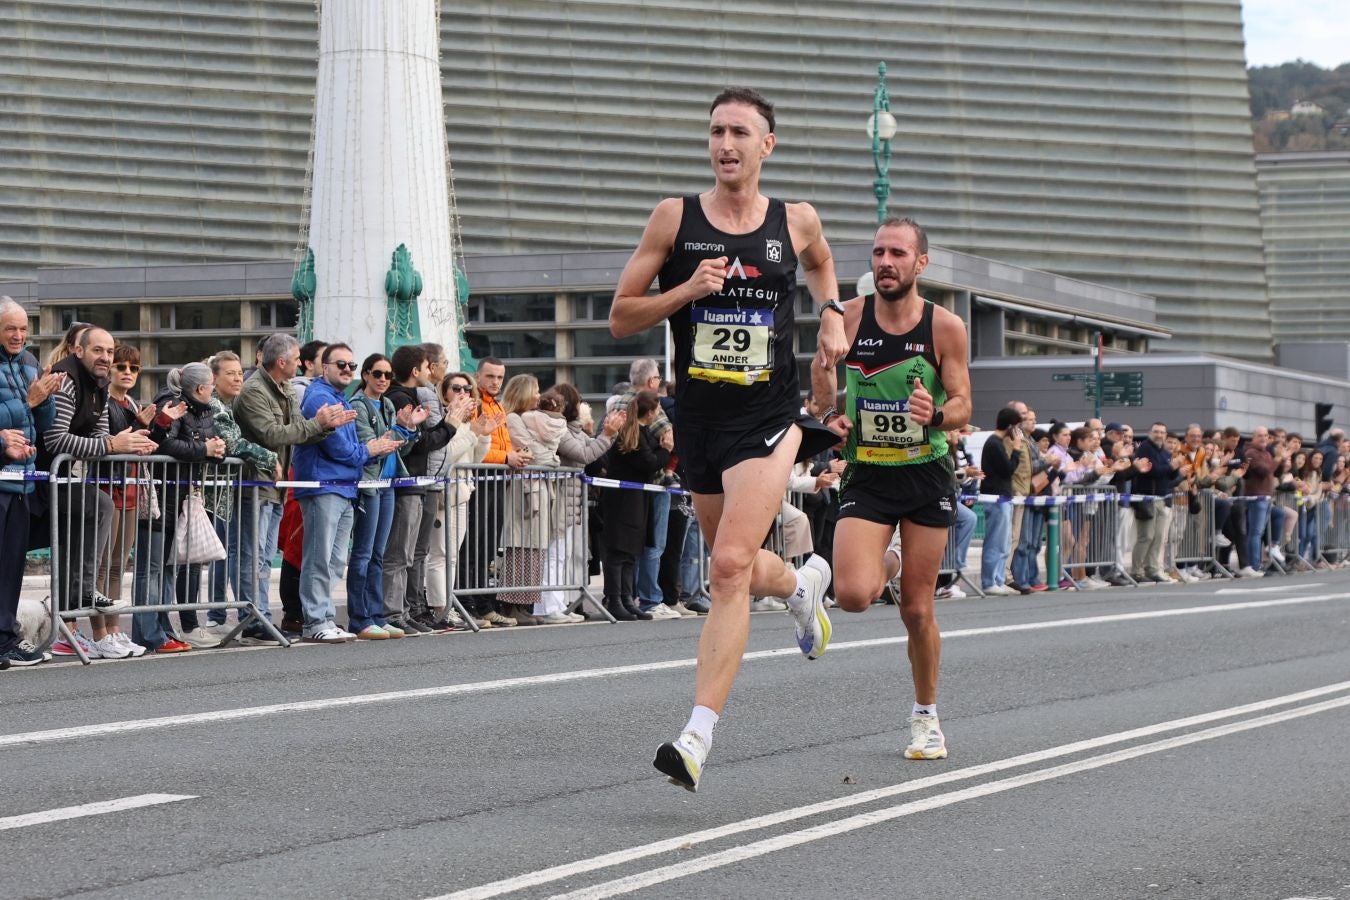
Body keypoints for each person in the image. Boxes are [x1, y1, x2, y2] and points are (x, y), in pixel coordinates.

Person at [611, 87, 848, 792]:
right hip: (701, 419)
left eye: (740, 132)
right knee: (734, 568)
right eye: (716, 131)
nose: (725, 145)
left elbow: (822, 265)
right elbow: (622, 317)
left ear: (766, 145)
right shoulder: (674, 219)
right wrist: (685, 290)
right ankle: (805, 582)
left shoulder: (794, 220)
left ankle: (696, 735)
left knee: (725, 568)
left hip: (769, 418)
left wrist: (832, 316)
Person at [812, 215, 973, 762]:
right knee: (854, 595)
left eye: (898, 254)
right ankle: (893, 562)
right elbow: (822, 381)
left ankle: (926, 717)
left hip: (925, 474)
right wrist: (830, 413)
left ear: (920, 263)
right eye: (879, 252)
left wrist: (937, 415)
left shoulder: (945, 327)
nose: (885, 262)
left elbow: (964, 404)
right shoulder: (848, 318)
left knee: (918, 612)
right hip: (869, 472)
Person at [41, 327, 159, 657]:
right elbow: (55, 441)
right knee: (100, 509)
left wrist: (131, 442)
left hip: (67, 478)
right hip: (39, 479)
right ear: (78, 351)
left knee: (101, 508)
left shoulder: (100, 387)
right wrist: (111, 444)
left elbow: (103, 439)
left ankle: (81, 600)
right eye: (98, 351)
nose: (107, 358)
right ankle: (77, 604)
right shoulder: (65, 381)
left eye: (110, 351)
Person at [234, 333, 351, 638]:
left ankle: (260, 618)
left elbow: (298, 432)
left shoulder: (285, 388)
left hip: (276, 485)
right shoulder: (253, 391)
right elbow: (272, 434)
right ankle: (253, 619)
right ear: (282, 361)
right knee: (254, 556)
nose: (301, 363)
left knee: (264, 555)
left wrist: (326, 426)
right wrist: (318, 423)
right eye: (297, 358)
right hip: (254, 483)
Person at [292, 343, 402, 643]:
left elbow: (349, 450)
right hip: (324, 485)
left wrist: (367, 451)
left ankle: (324, 617)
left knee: (335, 559)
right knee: (320, 556)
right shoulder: (320, 397)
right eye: (341, 364)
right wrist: (368, 450)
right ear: (323, 367)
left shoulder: (337, 397)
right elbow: (339, 448)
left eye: (351, 366)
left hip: (344, 488)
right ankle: (315, 621)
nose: (347, 370)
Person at [133, 363, 227, 652]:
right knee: (151, 568)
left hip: (182, 498)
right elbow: (164, 445)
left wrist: (217, 452)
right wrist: (203, 451)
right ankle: (148, 633)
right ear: (200, 388)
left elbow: (201, 446)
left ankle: (162, 628)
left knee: (167, 568)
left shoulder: (204, 410)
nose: (214, 390)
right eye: (212, 384)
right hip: (161, 498)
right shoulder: (172, 405)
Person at [0, 298, 60, 668]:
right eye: (10, 328)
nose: (19, 335)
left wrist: (45, 397)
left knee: (11, 569)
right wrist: (29, 399)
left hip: (21, 482)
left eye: (23, 328)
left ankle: (6, 638)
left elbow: (42, 421)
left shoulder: (27, 362)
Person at [204, 351, 278, 638]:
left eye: (239, 372)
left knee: (228, 551)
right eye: (230, 373)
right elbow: (235, 444)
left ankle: (223, 613)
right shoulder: (215, 407)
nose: (237, 378)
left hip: (227, 489)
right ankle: (245, 617)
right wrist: (271, 459)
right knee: (236, 552)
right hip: (214, 491)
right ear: (213, 378)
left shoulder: (229, 405)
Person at [346, 353, 419, 640]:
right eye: (377, 374)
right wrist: (401, 429)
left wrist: (408, 430)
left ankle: (376, 614)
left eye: (388, 375)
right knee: (363, 553)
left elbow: (399, 447)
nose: (383, 380)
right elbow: (372, 444)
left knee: (378, 554)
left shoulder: (388, 404)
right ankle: (359, 617)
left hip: (387, 483)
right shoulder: (358, 405)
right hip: (369, 483)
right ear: (365, 375)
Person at [93, 343, 156, 657]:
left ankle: (116, 630)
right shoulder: (102, 400)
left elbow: (134, 442)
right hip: (106, 487)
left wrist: (146, 431)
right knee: (102, 566)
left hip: (130, 487)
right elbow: (110, 441)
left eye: (133, 368)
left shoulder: (131, 402)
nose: (127, 372)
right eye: (121, 366)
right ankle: (99, 633)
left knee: (119, 564)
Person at [458, 356, 529, 628]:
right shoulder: (474, 404)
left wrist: (516, 456)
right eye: (490, 376)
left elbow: (503, 445)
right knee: (472, 545)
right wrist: (507, 458)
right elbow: (477, 447)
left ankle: (486, 604)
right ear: (478, 376)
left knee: (488, 546)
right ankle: (468, 604)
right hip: (480, 480)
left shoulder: (497, 404)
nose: (495, 382)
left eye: (500, 377)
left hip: (497, 480)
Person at [591, 390, 672, 621]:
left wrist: (660, 452)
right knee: (618, 551)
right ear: (649, 412)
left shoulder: (640, 431)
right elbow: (648, 463)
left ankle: (627, 599)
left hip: (635, 498)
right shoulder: (631, 433)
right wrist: (665, 450)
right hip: (622, 499)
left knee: (629, 552)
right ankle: (615, 599)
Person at [425, 372, 498, 627]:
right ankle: (439, 608)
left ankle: (448, 604)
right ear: (444, 392)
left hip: (462, 493)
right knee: (440, 553)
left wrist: (483, 433)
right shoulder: (444, 419)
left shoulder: (465, 422)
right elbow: (445, 456)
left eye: (467, 388)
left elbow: (475, 458)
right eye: (456, 388)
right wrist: (471, 433)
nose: (463, 392)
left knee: (452, 555)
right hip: (444, 494)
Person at [979, 407, 1022, 596]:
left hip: (1003, 497)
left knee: (1003, 541)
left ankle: (998, 579)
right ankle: (989, 581)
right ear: (1011, 426)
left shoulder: (998, 443)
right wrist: (1017, 449)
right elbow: (1008, 469)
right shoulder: (994, 444)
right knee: (996, 540)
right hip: (995, 498)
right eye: (1017, 427)